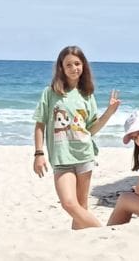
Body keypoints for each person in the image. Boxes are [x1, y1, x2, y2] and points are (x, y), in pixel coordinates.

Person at [32, 46, 120, 229]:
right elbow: (40, 124)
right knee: (69, 204)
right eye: (69, 65)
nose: (74, 68)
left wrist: (109, 113)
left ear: (84, 66)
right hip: (61, 158)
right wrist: (38, 153)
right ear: (61, 68)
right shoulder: (50, 93)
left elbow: (91, 129)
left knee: (82, 207)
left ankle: (81, 245)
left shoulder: (87, 95)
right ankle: (105, 233)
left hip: (84, 155)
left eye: (77, 63)